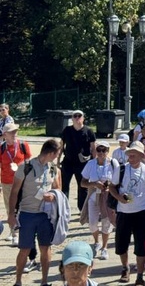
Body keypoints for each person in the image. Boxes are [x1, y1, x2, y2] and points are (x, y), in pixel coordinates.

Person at [8, 138, 62, 286]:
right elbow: (14, 192)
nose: (57, 157)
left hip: (46, 216)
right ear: (51, 153)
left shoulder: (54, 169)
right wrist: (11, 215)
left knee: (46, 248)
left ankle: (44, 282)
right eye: (57, 154)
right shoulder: (25, 167)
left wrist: (53, 196)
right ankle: (18, 281)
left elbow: (58, 191)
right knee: (24, 249)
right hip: (27, 214)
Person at [108, 141, 145, 286]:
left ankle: (140, 275)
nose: (131, 156)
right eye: (130, 153)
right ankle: (125, 268)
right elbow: (111, 187)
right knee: (121, 243)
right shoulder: (122, 169)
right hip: (123, 212)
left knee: (140, 246)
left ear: (140, 155)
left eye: (134, 153)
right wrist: (118, 198)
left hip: (141, 212)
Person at [80, 140, 119, 260]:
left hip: (108, 196)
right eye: (99, 150)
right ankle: (96, 241)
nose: (101, 153)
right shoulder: (91, 164)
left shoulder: (113, 163)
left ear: (108, 151)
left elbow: (118, 180)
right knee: (92, 223)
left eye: (104, 150)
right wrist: (94, 184)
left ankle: (104, 247)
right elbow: (82, 183)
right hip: (94, 196)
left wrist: (110, 187)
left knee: (106, 223)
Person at [0, 123, 31, 245]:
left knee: (23, 207)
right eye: (12, 132)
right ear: (5, 134)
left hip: (22, 182)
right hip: (7, 182)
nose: (14, 134)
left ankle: (23, 231)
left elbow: (29, 162)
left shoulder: (23, 145)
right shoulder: (2, 149)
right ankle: (14, 233)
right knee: (10, 208)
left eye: (16, 131)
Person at [59, 110, 96, 211]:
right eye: (75, 116)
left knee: (82, 186)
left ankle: (82, 208)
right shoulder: (67, 130)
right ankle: (64, 208)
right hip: (68, 162)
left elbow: (93, 148)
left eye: (79, 116)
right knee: (64, 186)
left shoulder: (89, 131)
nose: (77, 118)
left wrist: (95, 163)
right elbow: (61, 146)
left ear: (83, 118)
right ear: (72, 118)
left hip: (83, 163)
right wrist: (58, 160)